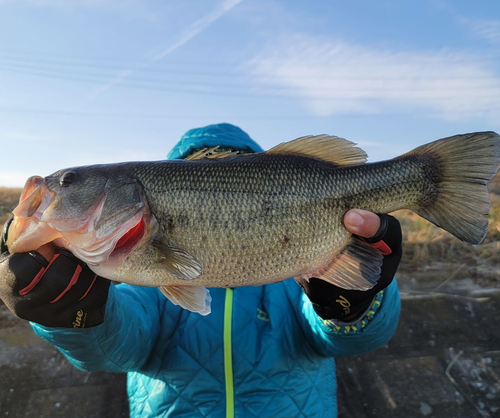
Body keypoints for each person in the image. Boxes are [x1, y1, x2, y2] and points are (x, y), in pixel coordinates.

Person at [0, 123, 402, 418]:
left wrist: (355, 308)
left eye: (69, 182)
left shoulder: (294, 279)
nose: (53, 187)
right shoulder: (125, 269)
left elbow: (346, 341)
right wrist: (74, 318)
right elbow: (120, 348)